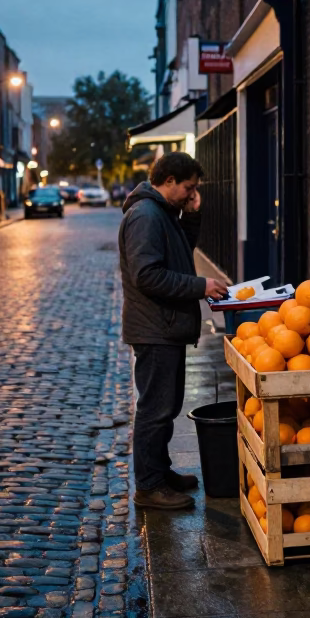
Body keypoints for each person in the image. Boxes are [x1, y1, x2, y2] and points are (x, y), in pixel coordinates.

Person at [119, 151, 228, 510]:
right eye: (188, 187)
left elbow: (180, 250)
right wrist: (200, 286)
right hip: (154, 328)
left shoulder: (162, 212)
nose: (190, 193)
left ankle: (160, 471)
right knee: (155, 408)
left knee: (166, 406)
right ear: (168, 181)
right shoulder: (146, 215)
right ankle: (149, 486)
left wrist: (192, 215)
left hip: (163, 326)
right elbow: (146, 275)